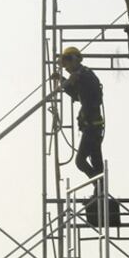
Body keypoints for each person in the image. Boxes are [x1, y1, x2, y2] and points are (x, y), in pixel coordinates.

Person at [52, 46, 104, 179]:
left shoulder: (86, 75)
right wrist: (63, 80)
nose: (66, 69)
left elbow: (92, 96)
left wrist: (78, 79)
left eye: (67, 64)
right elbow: (76, 94)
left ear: (74, 60)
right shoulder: (80, 76)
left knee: (80, 161)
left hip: (93, 126)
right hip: (92, 126)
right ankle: (99, 192)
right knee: (96, 162)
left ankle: (99, 186)